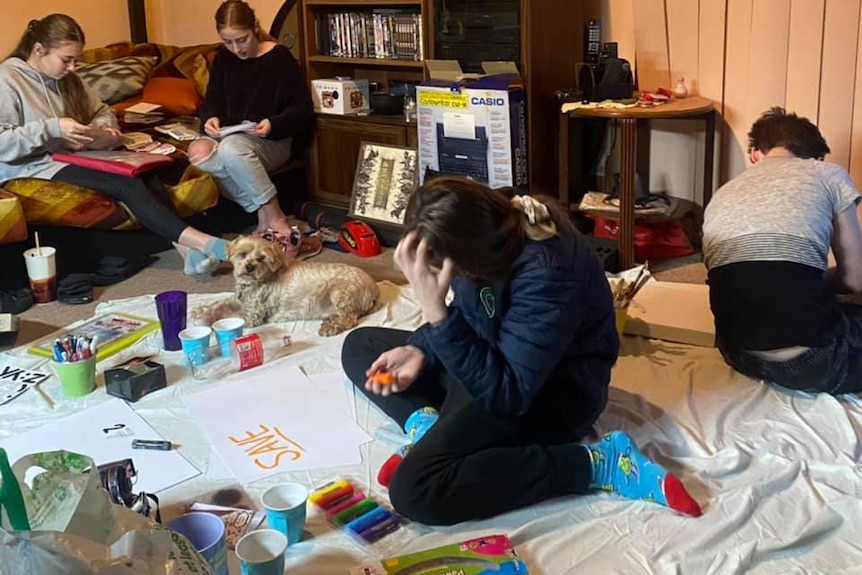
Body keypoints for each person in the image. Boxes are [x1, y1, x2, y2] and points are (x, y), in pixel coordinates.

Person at [341, 177, 702, 525]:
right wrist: (422, 348)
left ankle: (596, 464)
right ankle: (430, 430)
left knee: (415, 490)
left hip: (546, 395)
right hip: (494, 360)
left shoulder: (549, 270)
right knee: (360, 346)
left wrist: (436, 313)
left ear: (468, 260)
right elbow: (471, 313)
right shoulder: (489, 226)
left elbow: (508, 394)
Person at [0, 14, 231, 276]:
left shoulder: (68, 78)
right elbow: (2, 143)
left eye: (77, 60)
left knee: (146, 172)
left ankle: (185, 250)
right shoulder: (8, 78)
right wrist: (52, 127)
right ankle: (205, 243)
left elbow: (102, 109)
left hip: (75, 154)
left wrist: (103, 128)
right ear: (39, 49)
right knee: (124, 184)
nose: (73, 67)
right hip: (33, 164)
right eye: (66, 60)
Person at [702, 107, 862, 394]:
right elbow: (855, 280)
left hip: (736, 352)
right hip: (814, 361)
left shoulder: (723, 192)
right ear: (816, 158)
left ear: (755, 154)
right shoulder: (827, 174)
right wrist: (819, 277)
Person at [188, 0, 315, 257]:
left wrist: (273, 124)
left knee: (231, 150)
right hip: (232, 137)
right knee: (197, 150)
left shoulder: (279, 58)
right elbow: (211, 99)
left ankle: (276, 218)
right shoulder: (224, 59)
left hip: (273, 141)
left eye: (242, 40)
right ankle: (264, 214)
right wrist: (210, 117)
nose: (237, 49)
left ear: (255, 27)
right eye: (228, 42)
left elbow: (302, 109)